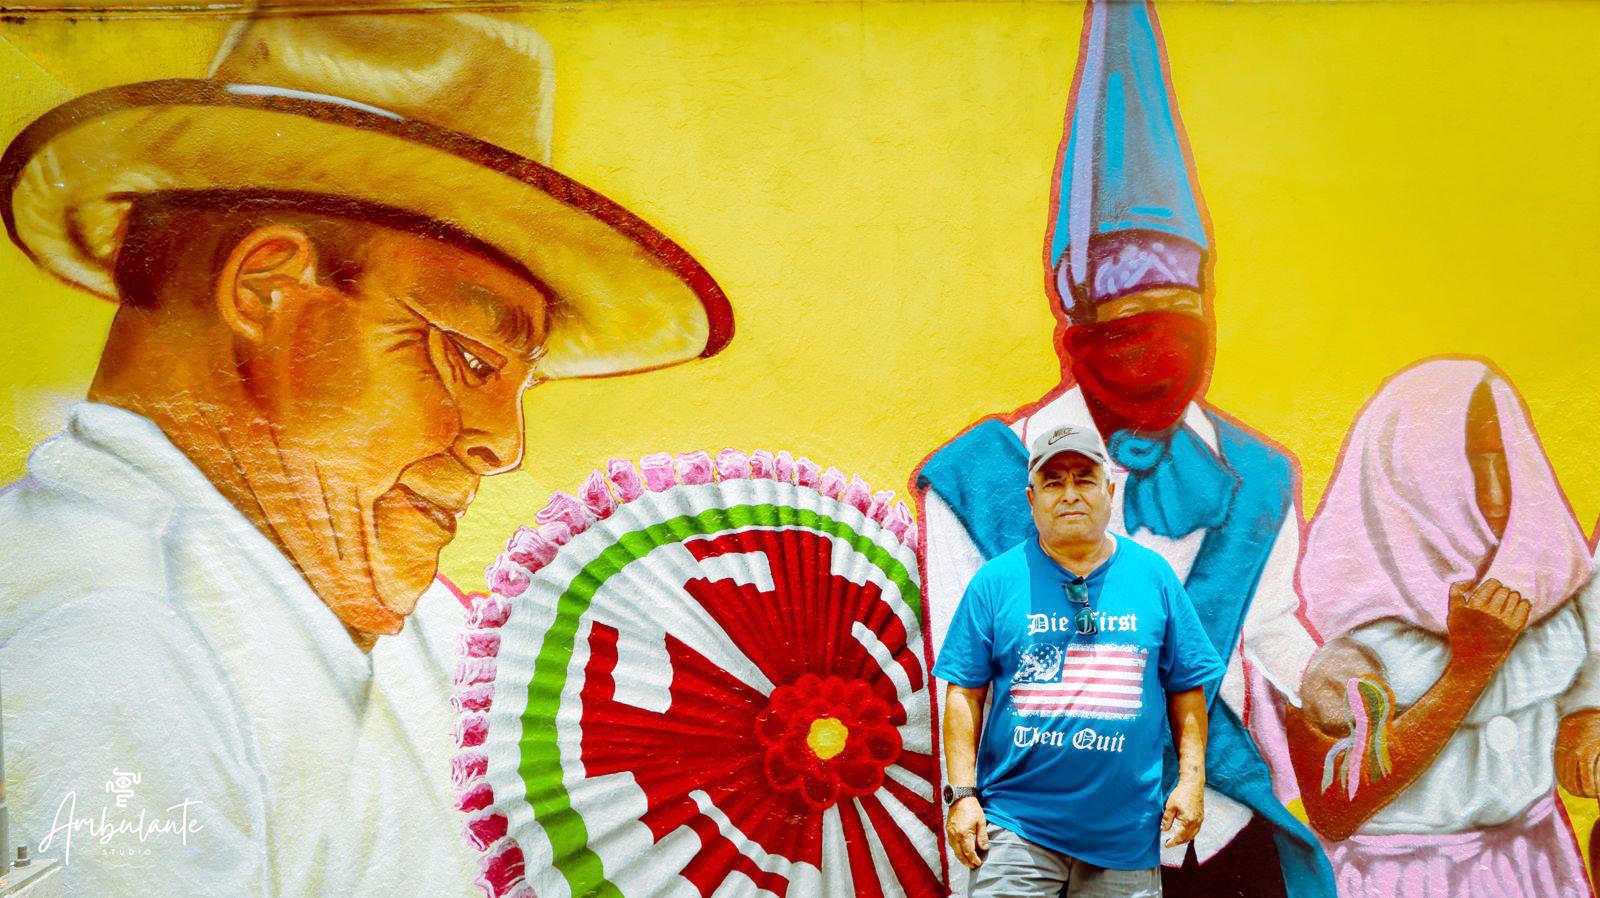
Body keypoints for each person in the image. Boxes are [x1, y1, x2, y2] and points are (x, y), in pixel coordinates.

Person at [0, 8, 731, 897]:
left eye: (521, 384)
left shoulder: (430, 643)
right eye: (470, 360)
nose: (503, 445)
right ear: (267, 288)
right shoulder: (103, 641)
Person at [915, 2, 1333, 895]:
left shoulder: (1257, 477)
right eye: (1129, 323)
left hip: (1220, 833)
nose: (1159, 353)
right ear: (1076, 330)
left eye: (1183, 321)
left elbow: (1269, 628)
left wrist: (1328, 681)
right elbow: (964, 685)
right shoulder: (975, 480)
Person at [1284, 358, 1600, 897]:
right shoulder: (1350, 630)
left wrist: (1585, 720)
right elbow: (1334, 808)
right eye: (1467, 468)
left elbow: (1583, 674)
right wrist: (1470, 669)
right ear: (1409, 480)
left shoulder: (1550, 584)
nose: (1496, 492)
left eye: (1503, 460)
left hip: (1535, 864)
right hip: (1403, 878)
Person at [934, 425, 1224, 897]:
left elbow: (1186, 686)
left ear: (1109, 492)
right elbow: (964, 691)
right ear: (1032, 499)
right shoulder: (995, 582)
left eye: (1084, 479)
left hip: (1126, 832)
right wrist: (962, 796)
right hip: (1016, 826)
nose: (1070, 494)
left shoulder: (1153, 577)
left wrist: (1192, 782)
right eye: (1053, 482)